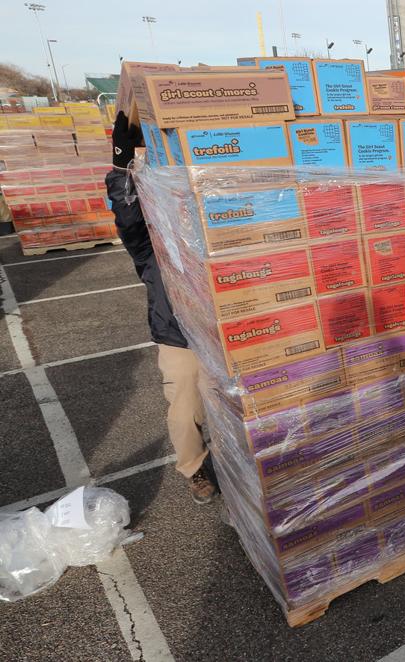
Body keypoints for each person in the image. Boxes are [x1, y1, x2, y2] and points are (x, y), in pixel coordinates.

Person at [106, 112, 216, 505]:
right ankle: (195, 468)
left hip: (224, 334)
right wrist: (121, 163)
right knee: (185, 409)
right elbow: (127, 214)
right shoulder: (148, 246)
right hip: (178, 336)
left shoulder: (211, 233)